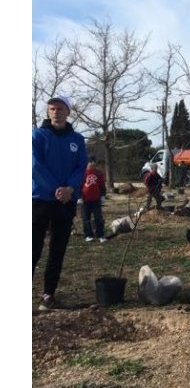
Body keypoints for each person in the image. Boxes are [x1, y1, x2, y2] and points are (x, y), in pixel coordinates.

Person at [33, 95, 88, 310]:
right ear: (48, 112)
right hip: (40, 200)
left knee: (58, 249)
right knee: (32, 248)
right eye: (52, 108)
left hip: (66, 201)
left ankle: (48, 294)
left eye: (60, 108)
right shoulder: (37, 135)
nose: (56, 112)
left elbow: (81, 167)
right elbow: (34, 166)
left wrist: (70, 189)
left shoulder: (77, 139)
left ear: (68, 112)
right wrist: (56, 189)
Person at [80, 159, 107, 242]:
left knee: (98, 217)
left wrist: (102, 196)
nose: (92, 164)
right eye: (90, 162)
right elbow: (79, 185)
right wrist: (79, 197)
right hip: (85, 200)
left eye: (93, 162)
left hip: (96, 199)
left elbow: (102, 185)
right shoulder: (82, 173)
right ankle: (88, 235)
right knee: (86, 218)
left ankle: (100, 235)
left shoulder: (99, 174)